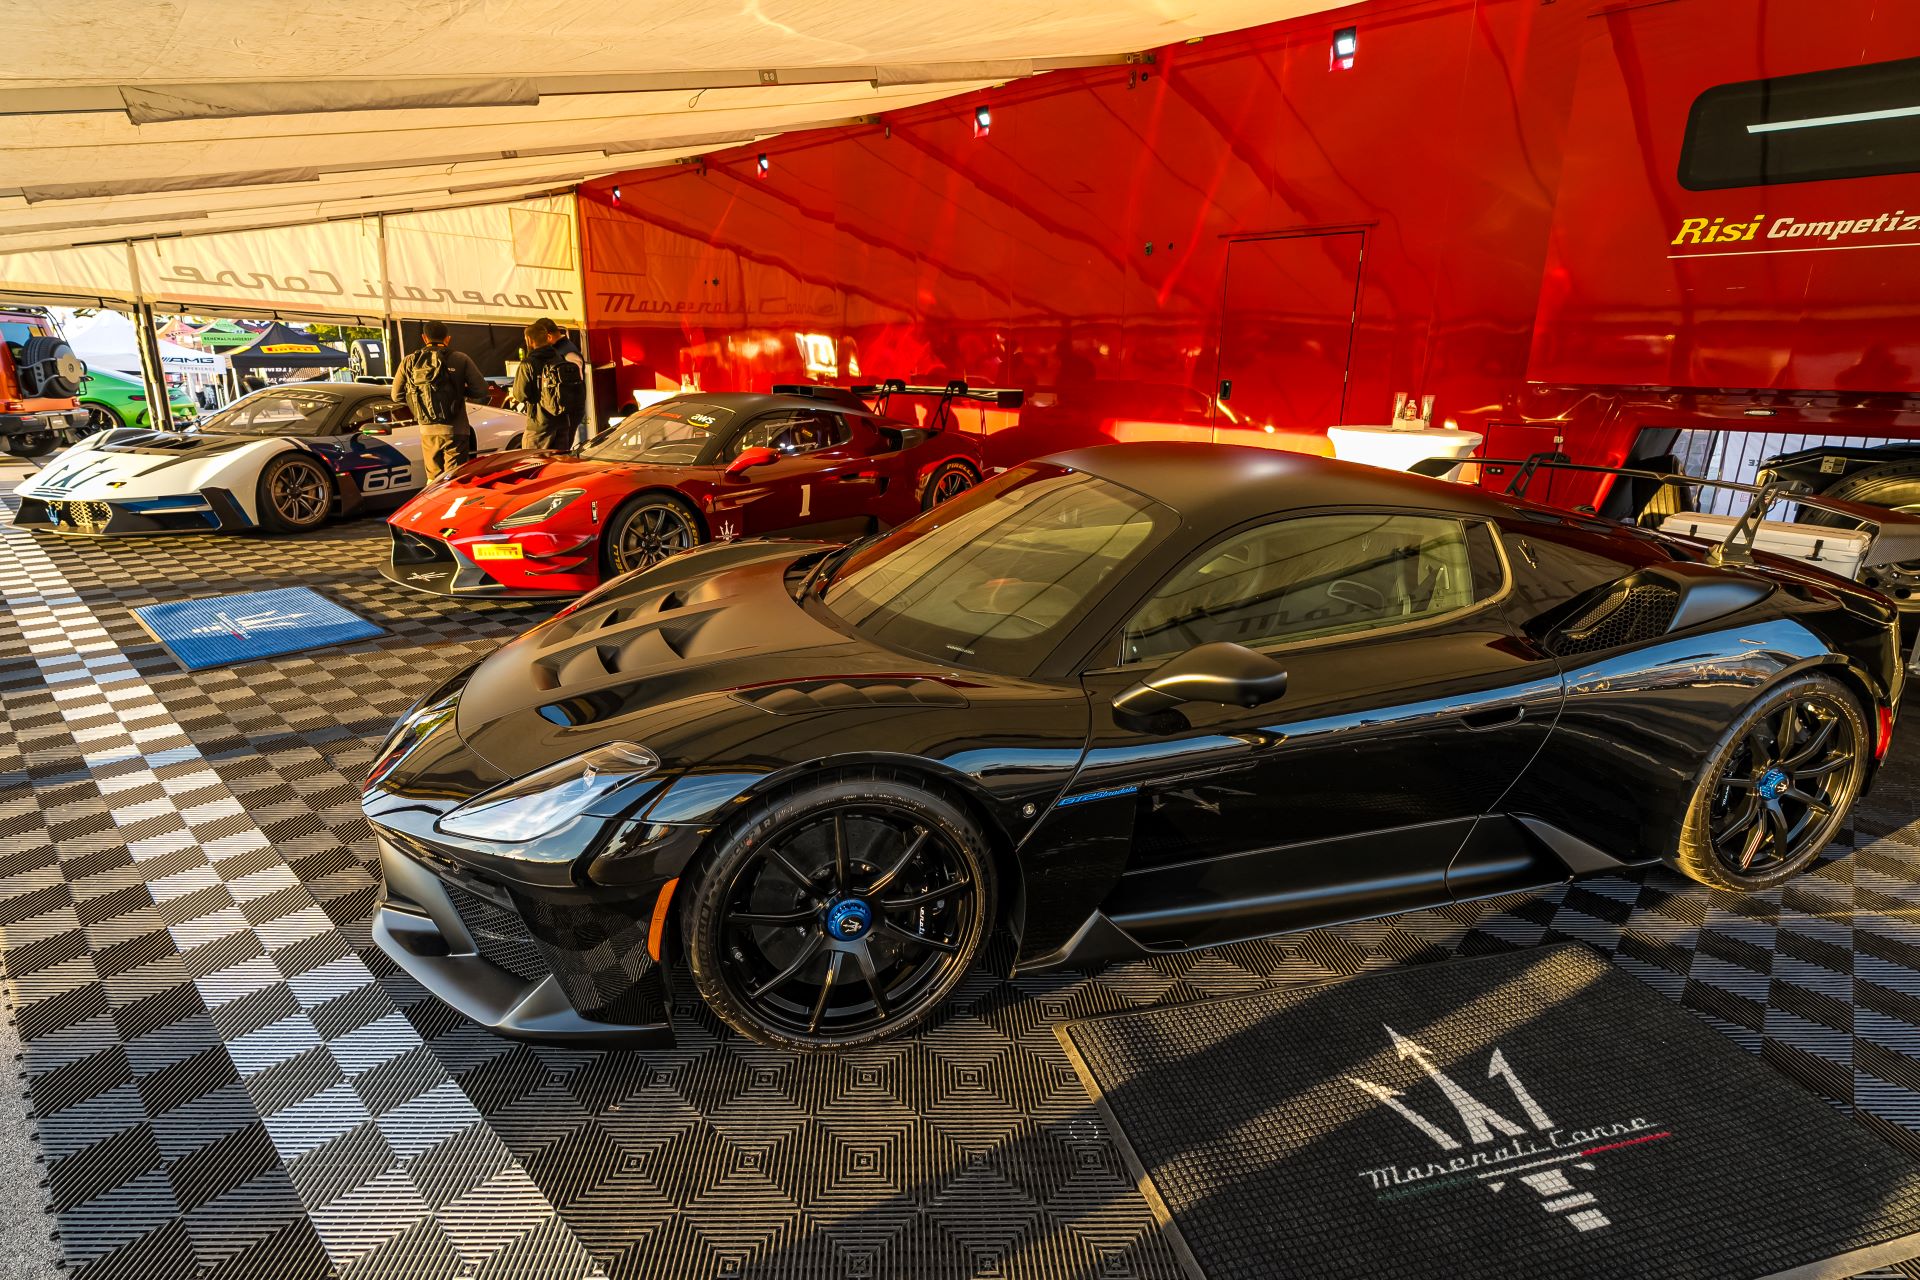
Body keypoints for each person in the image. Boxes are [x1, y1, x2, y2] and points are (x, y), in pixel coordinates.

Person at [392, 320, 487, 484]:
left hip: (427, 430)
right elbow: (481, 390)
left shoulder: (409, 361)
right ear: (447, 338)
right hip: (456, 430)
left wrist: (418, 403)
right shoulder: (460, 359)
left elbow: (396, 395)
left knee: (434, 481)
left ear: (424, 338)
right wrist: (460, 392)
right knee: (456, 480)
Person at [512, 317, 587, 451]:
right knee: (558, 465)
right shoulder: (560, 357)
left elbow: (520, 395)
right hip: (562, 423)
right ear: (547, 338)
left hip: (539, 425)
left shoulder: (528, 364)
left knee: (534, 465)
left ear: (529, 340)